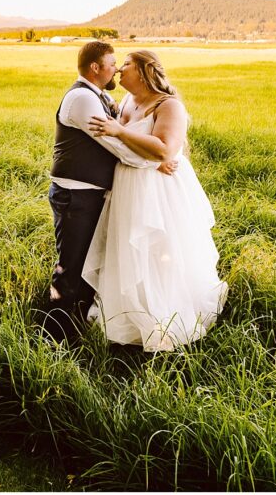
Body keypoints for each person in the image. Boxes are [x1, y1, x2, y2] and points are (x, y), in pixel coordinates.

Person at [83, 50, 227, 352]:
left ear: (146, 71)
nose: (120, 70)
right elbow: (120, 144)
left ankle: (165, 316)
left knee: (158, 249)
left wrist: (126, 135)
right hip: (129, 184)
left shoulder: (169, 105)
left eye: (127, 65)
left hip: (158, 190)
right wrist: (140, 152)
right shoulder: (127, 101)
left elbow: (165, 150)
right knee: (128, 249)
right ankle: (129, 316)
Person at [42, 41, 176, 344]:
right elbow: (115, 145)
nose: (116, 68)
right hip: (75, 196)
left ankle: (77, 324)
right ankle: (55, 336)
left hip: (91, 194)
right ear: (95, 68)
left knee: (90, 263)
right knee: (70, 266)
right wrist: (154, 163)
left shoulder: (102, 97)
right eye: (112, 62)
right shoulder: (81, 98)